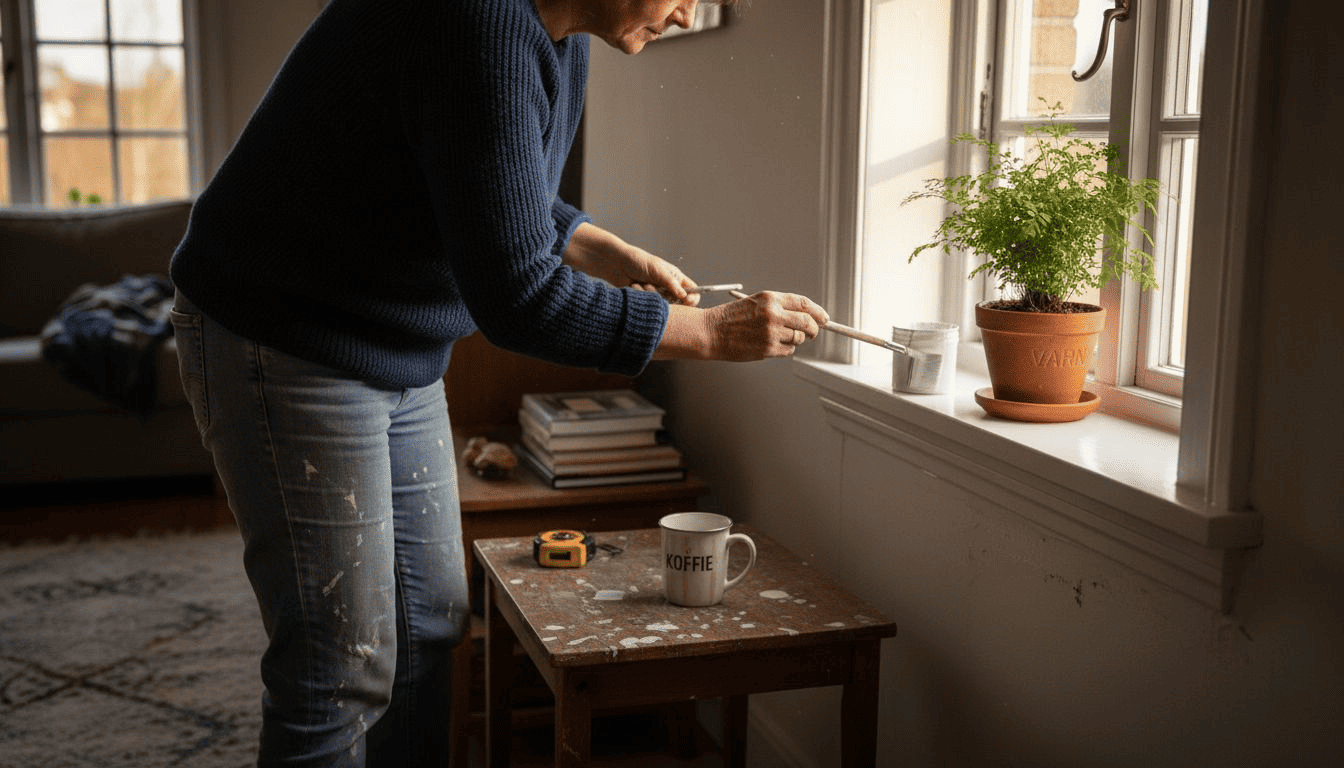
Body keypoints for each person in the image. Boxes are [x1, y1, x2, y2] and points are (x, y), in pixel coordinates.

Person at [168, 0, 829, 764]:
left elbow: (477, 164)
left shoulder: (558, 29)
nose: (687, 13)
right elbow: (521, 299)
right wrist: (714, 333)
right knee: (338, 668)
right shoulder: (471, 20)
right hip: (283, 336)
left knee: (428, 628)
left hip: (390, 346)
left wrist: (593, 242)